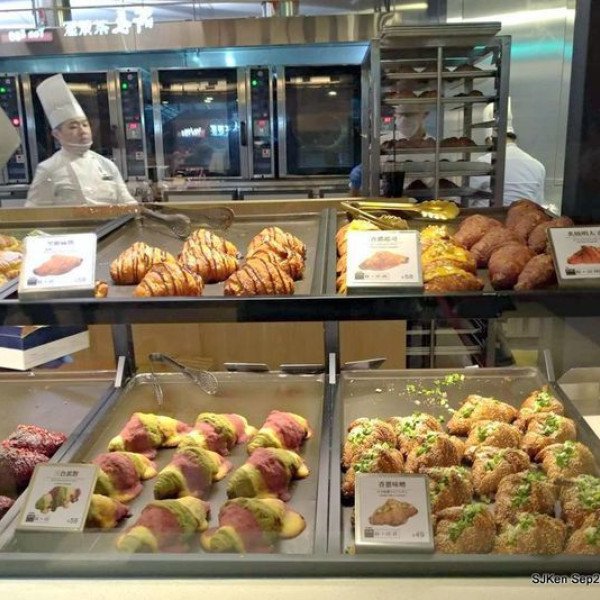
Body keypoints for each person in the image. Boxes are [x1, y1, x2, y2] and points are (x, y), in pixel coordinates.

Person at [26, 74, 137, 207]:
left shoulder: (106, 165)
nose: (82, 130)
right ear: (56, 134)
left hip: (111, 221)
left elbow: (128, 203)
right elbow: (35, 213)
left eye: (85, 124)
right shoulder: (48, 169)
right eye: (73, 126)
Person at [470, 100, 546, 207]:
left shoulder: (483, 164)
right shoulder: (537, 165)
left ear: (490, 139)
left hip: (486, 216)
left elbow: (464, 200)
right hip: (525, 216)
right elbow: (538, 205)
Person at [348, 107, 430, 197]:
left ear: (424, 115)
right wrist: (356, 183)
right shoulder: (381, 142)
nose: (404, 119)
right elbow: (356, 192)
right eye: (399, 115)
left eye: (409, 115)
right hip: (385, 201)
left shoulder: (435, 148)